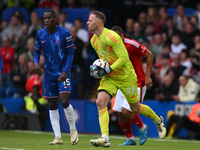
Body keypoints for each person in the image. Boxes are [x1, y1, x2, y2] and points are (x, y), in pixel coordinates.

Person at [87, 11, 166, 147]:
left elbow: (123, 59)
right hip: (110, 77)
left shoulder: (112, 37)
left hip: (126, 77)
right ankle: (105, 137)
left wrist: (107, 69)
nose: (87, 23)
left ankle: (157, 119)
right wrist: (100, 69)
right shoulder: (94, 40)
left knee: (134, 108)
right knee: (100, 101)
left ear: (98, 22)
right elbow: (104, 58)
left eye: (90, 20)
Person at [34, 9, 78, 145]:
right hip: (48, 74)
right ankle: (58, 137)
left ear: (55, 19)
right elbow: (36, 51)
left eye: (49, 18)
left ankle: (73, 129)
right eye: (44, 18)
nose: (46, 21)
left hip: (63, 72)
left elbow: (70, 54)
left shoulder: (64, 33)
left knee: (64, 101)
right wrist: (36, 62)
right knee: (52, 104)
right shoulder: (40, 33)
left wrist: (65, 70)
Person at [110, 25, 154, 146]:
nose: (116, 39)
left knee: (126, 111)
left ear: (123, 36)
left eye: (118, 36)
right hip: (121, 82)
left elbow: (150, 55)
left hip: (137, 82)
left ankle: (142, 127)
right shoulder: (110, 47)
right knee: (119, 113)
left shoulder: (131, 44)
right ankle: (130, 139)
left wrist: (148, 76)